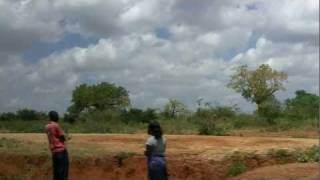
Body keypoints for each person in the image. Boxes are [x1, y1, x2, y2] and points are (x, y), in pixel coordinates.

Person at [45, 111, 69, 180]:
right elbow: (62, 137)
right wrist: (65, 135)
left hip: (54, 151)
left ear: (49, 117)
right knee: (63, 171)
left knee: (56, 171)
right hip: (61, 151)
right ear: (56, 117)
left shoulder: (47, 126)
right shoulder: (56, 125)